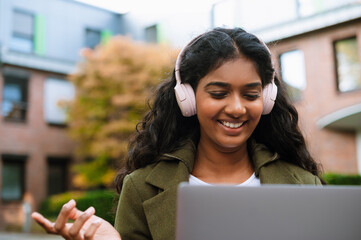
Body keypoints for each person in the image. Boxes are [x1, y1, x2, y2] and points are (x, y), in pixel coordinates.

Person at [32, 27, 323, 240]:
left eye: (251, 94)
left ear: (267, 99)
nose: (237, 108)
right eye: (219, 93)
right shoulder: (142, 188)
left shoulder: (305, 185)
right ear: (188, 98)